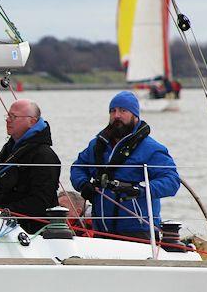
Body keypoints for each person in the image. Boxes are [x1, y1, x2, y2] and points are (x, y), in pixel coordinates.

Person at [70, 91, 179, 241]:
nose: (117, 116)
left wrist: (141, 190)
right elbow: (77, 168)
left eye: (123, 110)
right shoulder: (96, 145)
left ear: (135, 115)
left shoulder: (152, 148)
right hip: (101, 229)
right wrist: (83, 184)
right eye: (113, 111)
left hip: (138, 229)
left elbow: (172, 181)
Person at [0, 99, 60, 233]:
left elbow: (42, 201)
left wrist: (4, 211)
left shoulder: (44, 155)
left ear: (32, 121)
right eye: (7, 116)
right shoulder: (10, 149)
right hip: (4, 224)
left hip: (31, 231)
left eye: (13, 117)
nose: (8, 120)